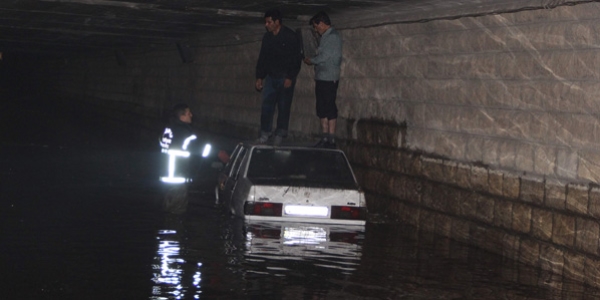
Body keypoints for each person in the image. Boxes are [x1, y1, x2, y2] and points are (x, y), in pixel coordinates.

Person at [255, 8, 302, 146]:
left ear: (277, 22)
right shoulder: (267, 38)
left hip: (284, 77)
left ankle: (280, 134)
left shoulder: (290, 36)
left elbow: (296, 59)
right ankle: (265, 133)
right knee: (267, 106)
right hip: (271, 77)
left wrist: (290, 76)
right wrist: (259, 77)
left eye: (269, 22)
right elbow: (263, 58)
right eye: (266, 22)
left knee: (283, 106)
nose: (267, 25)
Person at [303, 11, 342, 149]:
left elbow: (324, 56)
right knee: (322, 107)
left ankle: (331, 139)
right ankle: (325, 137)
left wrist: (311, 60)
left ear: (322, 24)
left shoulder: (332, 37)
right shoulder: (326, 37)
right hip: (322, 77)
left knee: (329, 106)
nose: (315, 29)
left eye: (316, 26)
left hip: (329, 78)